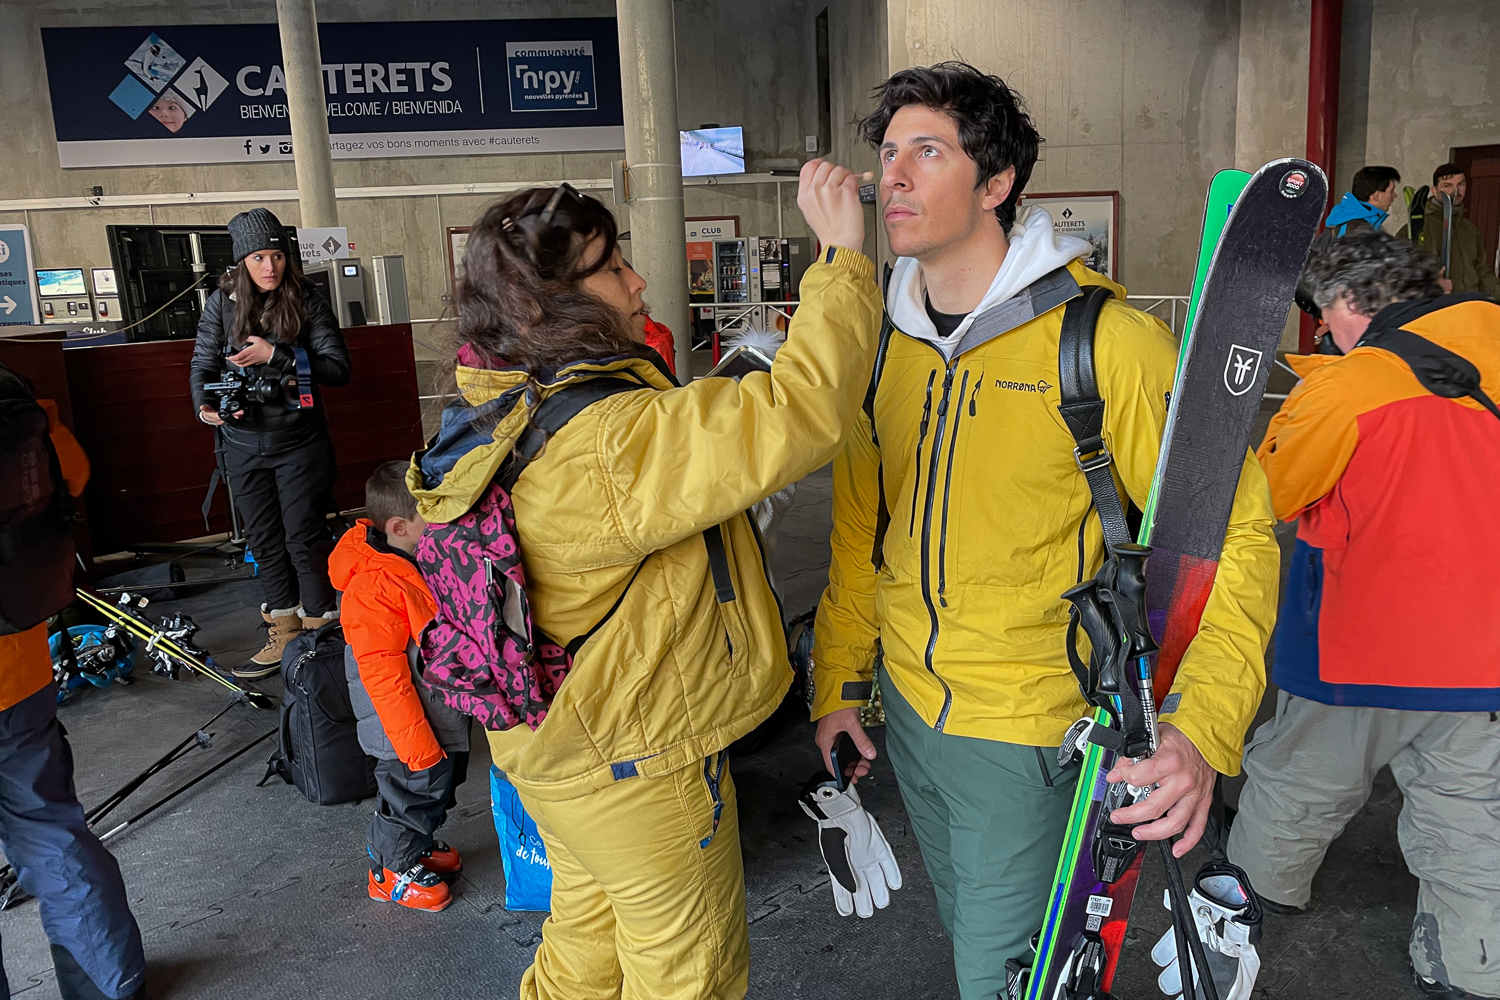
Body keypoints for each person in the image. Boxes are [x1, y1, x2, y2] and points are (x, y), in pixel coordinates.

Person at [808, 62, 1280, 999]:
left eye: (927, 151)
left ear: (996, 183)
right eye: (888, 152)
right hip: (913, 717)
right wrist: (841, 685)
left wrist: (1200, 729)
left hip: (1031, 734)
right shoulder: (879, 345)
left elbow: (1234, 540)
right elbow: (862, 534)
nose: (892, 175)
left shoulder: (1105, 344)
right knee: (982, 951)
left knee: (1008, 981)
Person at [408, 171, 879, 999]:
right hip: (638, 766)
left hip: (553, 752)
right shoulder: (609, 440)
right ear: (553, 303)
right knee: (686, 976)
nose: (638, 280)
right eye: (612, 266)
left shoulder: (505, 401)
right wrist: (840, 255)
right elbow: (804, 410)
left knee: (583, 952)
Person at [1230, 228, 1500, 1000]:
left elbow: (1266, 496)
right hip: (1486, 653)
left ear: (1351, 299)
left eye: (1324, 312)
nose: (1323, 329)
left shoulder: (1352, 387)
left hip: (1361, 647)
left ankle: (1251, 902)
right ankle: (1471, 969)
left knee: (1295, 781)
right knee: (1469, 812)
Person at [0, 370, 146, 1000]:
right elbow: (74, 476)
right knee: (49, 828)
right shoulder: (13, 397)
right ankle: (112, 985)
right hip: (18, 666)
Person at [189, 208, 352, 678]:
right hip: (240, 444)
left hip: (300, 443)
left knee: (304, 537)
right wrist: (206, 407)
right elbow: (202, 363)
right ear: (242, 261)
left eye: (277, 255)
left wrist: (277, 355)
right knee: (263, 539)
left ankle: (322, 633)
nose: (269, 266)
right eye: (258, 257)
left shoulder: (308, 299)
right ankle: (284, 631)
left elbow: (338, 369)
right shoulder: (221, 304)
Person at [330, 461, 470, 912]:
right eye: (433, 516)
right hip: (405, 726)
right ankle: (390, 870)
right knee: (410, 793)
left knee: (438, 787)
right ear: (399, 526)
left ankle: (415, 846)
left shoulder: (410, 559)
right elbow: (381, 674)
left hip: (434, 711)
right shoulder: (373, 586)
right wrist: (414, 744)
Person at [1400, 163, 1498, 296]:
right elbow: (1399, 275)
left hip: (1468, 303)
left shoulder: (1470, 229)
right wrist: (1431, 286)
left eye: (1461, 184)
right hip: (1436, 304)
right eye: (1447, 185)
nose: (1456, 190)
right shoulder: (1416, 228)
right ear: (1434, 190)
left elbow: (1482, 272)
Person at [1324, 165, 1401, 235]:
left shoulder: (1348, 219)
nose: (1394, 195)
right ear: (1377, 196)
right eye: (1391, 191)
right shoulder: (1358, 230)